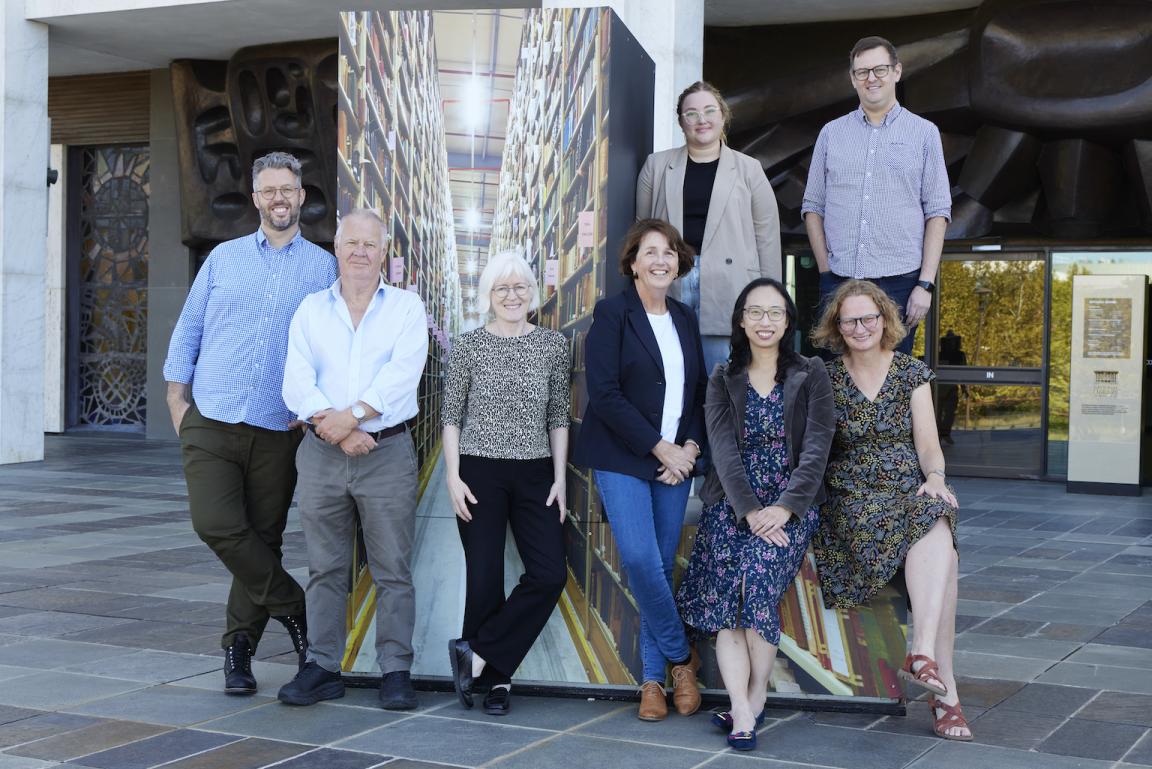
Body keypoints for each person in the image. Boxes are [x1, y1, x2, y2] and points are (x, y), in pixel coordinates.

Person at [163, 151, 336, 694]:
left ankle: (238, 651)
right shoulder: (223, 258)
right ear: (256, 197)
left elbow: (329, 349)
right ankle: (297, 608)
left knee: (262, 538)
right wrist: (176, 398)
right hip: (211, 418)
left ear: (301, 197)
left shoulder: (323, 267)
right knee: (214, 525)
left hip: (278, 428)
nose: (279, 199)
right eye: (269, 190)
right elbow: (189, 325)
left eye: (288, 189)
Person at [277, 208, 428, 709]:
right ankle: (322, 666)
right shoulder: (309, 310)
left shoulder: (407, 307)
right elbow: (297, 378)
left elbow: (403, 375)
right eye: (351, 243)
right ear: (336, 249)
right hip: (321, 455)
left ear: (384, 252)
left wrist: (354, 418)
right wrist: (336, 427)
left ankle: (396, 670)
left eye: (370, 244)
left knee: (393, 568)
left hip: (386, 454)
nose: (360, 252)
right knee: (325, 568)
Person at [677, 278, 835, 751]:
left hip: (792, 504)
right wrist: (750, 512)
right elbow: (722, 452)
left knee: (756, 585)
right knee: (728, 603)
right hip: (732, 505)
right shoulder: (724, 377)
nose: (765, 321)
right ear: (741, 320)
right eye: (755, 312)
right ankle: (743, 708)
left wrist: (784, 508)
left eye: (774, 312)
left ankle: (757, 692)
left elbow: (817, 449)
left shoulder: (811, 373)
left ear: (787, 321)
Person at [810, 280, 970, 741]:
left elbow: (928, 445)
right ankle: (946, 695)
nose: (860, 327)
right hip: (852, 497)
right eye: (850, 320)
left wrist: (935, 479)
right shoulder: (825, 376)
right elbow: (816, 446)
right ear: (837, 327)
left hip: (906, 487)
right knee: (946, 551)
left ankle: (922, 655)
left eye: (868, 318)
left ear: (884, 320)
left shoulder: (910, 372)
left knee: (936, 513)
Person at [572, 219, 707, 721]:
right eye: (649, 252)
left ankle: (653, 682)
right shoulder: (612, 314)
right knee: (640, 559)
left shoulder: (685, 318)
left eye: (669, 252)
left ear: (678, 263)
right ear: (632, 263)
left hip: (677, 463)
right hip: (625, 457)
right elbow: (603, 394)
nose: (660, 260)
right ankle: (681, 658)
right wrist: (660, 449)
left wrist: (688, 447)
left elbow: (698, 392)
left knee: (661, 564)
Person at [443, 250, 571, 717]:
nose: (512, 295)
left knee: (548, 573)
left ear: (532, 292)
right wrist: (453, 477)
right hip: (479, 470)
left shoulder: (554, 345)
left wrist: (559, 477)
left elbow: (558, 415)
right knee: (484, 578)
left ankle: (476, 654)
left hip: (536, 470)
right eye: (502, 288)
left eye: (520, 287)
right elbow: (451, 417)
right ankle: (496, 682)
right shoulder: (469, 345)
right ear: (488, 296)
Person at [802, 36, 952, 355]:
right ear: (853, 78)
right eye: (862, 72)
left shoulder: (924, 133)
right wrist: (825, 271)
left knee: (891, 383)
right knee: (838, 380)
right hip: (840, 279)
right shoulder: (831, 134)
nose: (871, 78)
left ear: (897, 71)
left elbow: (938, 211)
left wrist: (925, 284)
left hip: (901, 282)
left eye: (880, 69)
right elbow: (813, 207)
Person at [637, 81, 781, 373]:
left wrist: (771, 295)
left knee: (721, 378)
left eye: (709, 111)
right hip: (671, 278)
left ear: (723, 116)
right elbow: (642, 232)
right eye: (691, 113)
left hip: (730, 283)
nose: (701, 120)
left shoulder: (749, 168)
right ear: (680, 121)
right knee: (671, 373)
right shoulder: (656, 166)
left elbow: (766, 235)